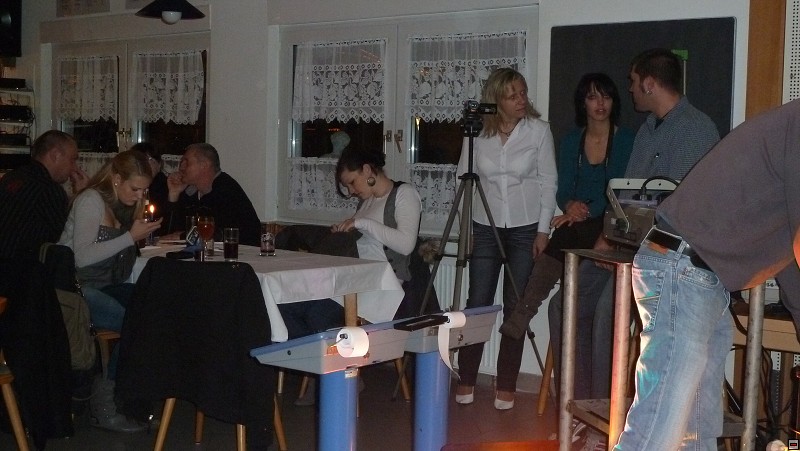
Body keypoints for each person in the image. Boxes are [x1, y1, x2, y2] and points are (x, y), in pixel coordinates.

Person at [549, 48, 720, 449]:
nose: (629, 89)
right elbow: (628, 198)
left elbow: (681, 209)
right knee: (563, 306)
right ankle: (580, 410)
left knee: (607, 315)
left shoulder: (696, 130)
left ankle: (603, 422)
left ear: (649, 83)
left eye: (632, 82)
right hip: (631, 249)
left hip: (670, 261)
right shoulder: (647, 131)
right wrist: (608, 237)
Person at [616, 99, 800, 450]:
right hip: (683, 268)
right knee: (656, 433)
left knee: (694, 435)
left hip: (700, 278)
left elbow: (790, 256)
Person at [280, 147, 422, 405]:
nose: (351, 190)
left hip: (381, 284)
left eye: (352, 182)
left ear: (368, 170)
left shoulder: (404, 194)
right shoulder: (367, 200)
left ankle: (331, 374)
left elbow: (406, 245)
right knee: (286, 306)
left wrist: (361, 223)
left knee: (317, 312)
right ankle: (328, 368)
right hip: (353, 277)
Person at [499, 72, 634, 339]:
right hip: (577, 222)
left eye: (606, 97)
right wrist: (570, 204)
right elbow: (563, 190)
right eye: (592, 97)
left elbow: (619, 192)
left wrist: (584, 210)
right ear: (583, 103)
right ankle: (525, 310)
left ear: (614, 102)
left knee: (566, 232)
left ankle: (524, 311)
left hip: (612, 220)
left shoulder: (626, 140)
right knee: (565, 231)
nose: (600, 104)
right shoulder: (572, 141)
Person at [454, 67, 558, 410]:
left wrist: (543, 230)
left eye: (523, 93)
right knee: (478, 301)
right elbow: (463, 176)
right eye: (512, 95)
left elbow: (549, 182)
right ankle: (467, 377)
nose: (521, 100)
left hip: (525, 227)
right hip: (485, 226)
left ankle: (507, 382)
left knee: (516, 306)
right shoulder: (477, 133)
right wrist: (466, 231)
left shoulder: (538, 131)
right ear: (496, 99)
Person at [59, 149, 162, 433]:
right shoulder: (91, 200)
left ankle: (131, 399)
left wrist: (134, 235)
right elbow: (81, 257)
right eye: (135, 189)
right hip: (74, 288)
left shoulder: (125, 205)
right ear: (116, 179)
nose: (139, 196)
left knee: (155, 310)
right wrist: (130, 237)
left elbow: (121, 268)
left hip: (105, 284)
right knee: (133, 322)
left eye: (144, 190)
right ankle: (105, 406)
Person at [0, 130, 89, 260]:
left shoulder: (11, 178)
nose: (75, 168)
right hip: (20, 268)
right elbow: (67, 237)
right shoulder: (48, 189)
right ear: (55, 155)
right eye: (72, 160)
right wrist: (82, 196)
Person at [163, 143, 262, 245]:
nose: (181, 167)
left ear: (204, 165)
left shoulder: (226, 189)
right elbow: (168, 232)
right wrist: (174, 194)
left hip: (242, 252)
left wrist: (184, 236)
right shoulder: (191, 193)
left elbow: (222, 233)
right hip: (207, 252)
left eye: (186, 162)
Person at [130, 142, 168, 228]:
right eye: (138, 161)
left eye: (147, 159)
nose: (143, 165)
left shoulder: (167, 186)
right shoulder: (129, 187)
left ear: (159, 164)